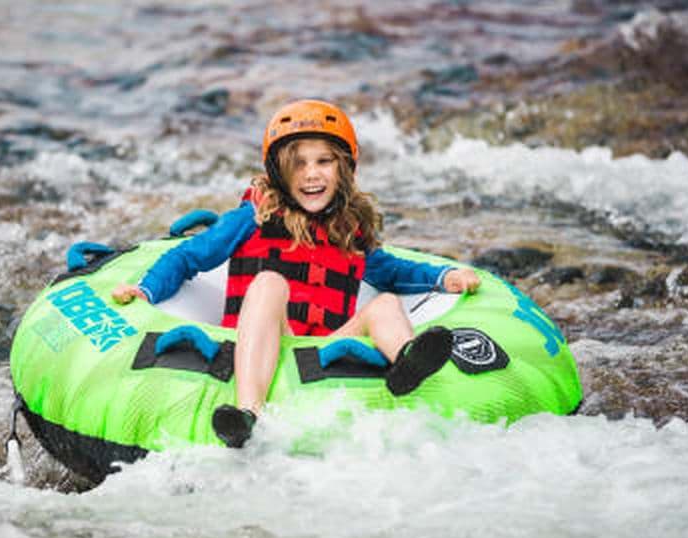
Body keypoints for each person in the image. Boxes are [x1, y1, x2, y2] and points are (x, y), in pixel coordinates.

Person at [112, 99, 480, 448]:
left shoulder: (348, 230)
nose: (311, 175)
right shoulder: (253, 217)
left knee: (384, 303)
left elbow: (393, 271)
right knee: (270, 282)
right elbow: (188, 257)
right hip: (261, 340)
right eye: (298, 164)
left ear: (344, 169)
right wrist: (146, 291)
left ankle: (408, 362)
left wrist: (445, 276)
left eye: (324, 161)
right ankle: (247, 412)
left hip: (322, 352)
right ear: (279, 171)